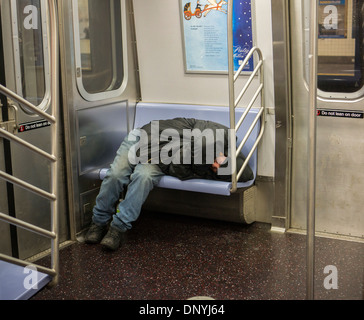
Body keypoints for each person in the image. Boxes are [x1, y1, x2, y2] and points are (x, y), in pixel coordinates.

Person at [85, 118, 254, 251]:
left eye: (216, 169)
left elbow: (246, 174)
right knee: (116, 174)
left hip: (160, 158)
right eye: (215, 162)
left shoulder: (209, 161)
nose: (214, 166)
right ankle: (98, 222)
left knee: (143, 177)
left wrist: (221, 163)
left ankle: (117, 229)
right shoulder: (214, 132)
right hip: (141, 139)